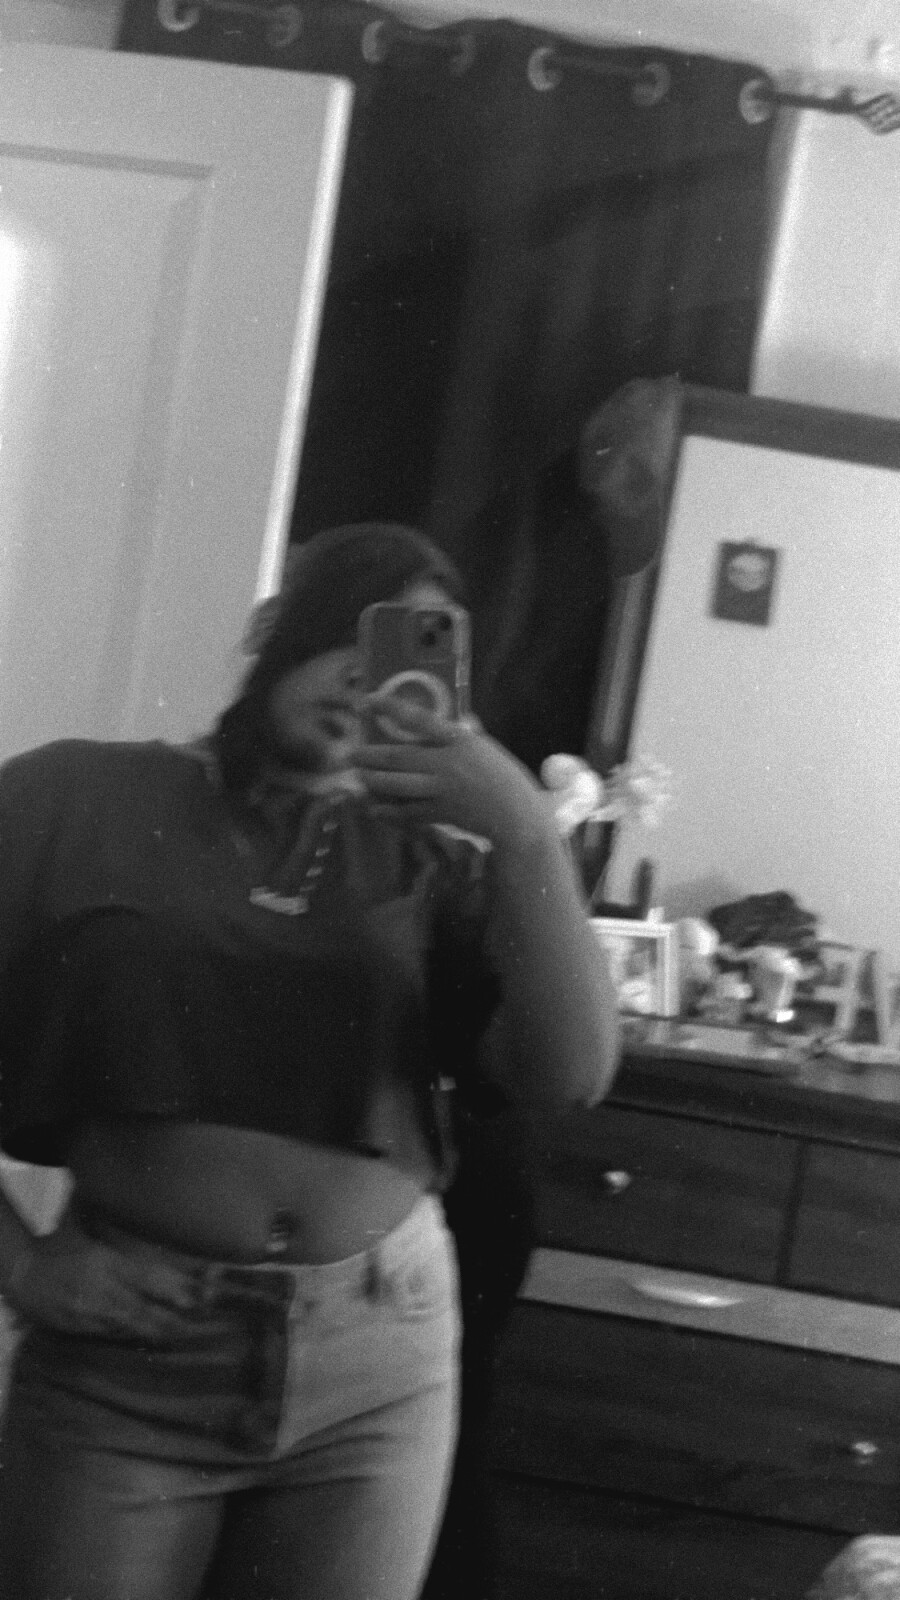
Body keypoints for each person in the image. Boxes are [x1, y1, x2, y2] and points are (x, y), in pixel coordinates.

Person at [0, 522, 620, 1600]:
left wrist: (526, 834)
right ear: (277, 632)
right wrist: (20, 1263)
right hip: (132, 1360)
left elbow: (570, 1076)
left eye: (409, 656)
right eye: (355, 635)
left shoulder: (440, 861)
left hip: (376, 1367)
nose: (365, 681)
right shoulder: (73, 797)